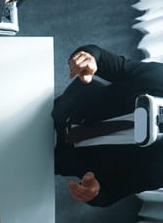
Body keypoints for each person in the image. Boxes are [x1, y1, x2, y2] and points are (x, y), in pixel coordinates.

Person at [53, 44, 163, 207]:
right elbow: (101, 57)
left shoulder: (159, 171)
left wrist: (94, 193)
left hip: (61, 158)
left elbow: (112, 193)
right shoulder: (159, 78)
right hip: (67, 106)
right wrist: (89, 58)